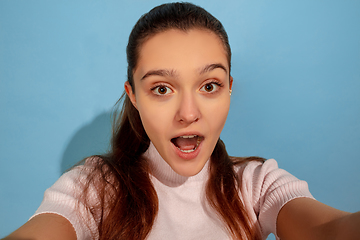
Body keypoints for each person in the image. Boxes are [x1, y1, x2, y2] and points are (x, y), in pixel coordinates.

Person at [3, 2, 359, 240]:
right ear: (133, 96)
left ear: (229, 89)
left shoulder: (256, 185)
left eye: (209, 85)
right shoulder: (94, 188)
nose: (189, 113)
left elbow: (330, 229)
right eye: (161, 89)